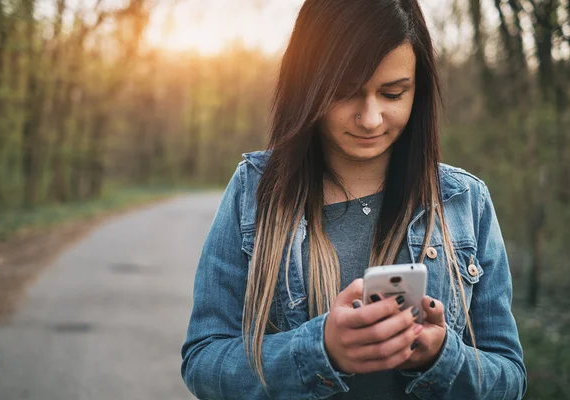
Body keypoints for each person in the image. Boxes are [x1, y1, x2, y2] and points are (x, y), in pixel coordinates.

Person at [181, 0, 527, 398]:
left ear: (419, 91)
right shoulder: (256, 191)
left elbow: (510, 379)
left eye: (393, 94)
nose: (370, 118)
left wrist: (442, 358)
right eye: (345, 93)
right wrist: (320, 349)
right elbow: (203, 361)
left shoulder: (465, 201)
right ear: (307, 86)